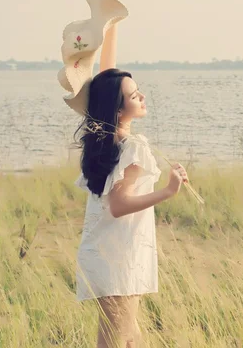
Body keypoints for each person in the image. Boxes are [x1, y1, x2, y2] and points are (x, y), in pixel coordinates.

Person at [72, 22, 188, 348]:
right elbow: (118, 206)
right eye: (135, 95)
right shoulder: (130, 147)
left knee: (130, 337)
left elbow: (107, 81)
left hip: (108, 252)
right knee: (115, 340)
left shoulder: (104, 134)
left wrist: (111, 25)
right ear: (119, 108)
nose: (143, 95)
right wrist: (168, 191)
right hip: (119, 257)